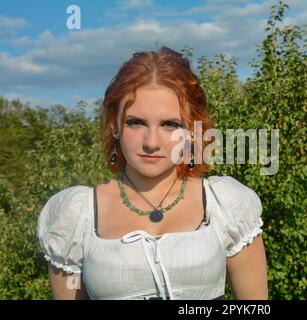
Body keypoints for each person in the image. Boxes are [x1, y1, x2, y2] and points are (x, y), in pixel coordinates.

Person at [37, 46, 268, 300]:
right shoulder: (75, 215)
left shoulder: (226, 204)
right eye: (136, 122)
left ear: (191, 128)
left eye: (170, 124)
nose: (151, 142)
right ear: (115, 124)